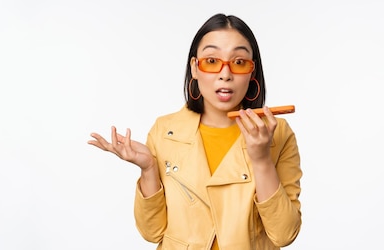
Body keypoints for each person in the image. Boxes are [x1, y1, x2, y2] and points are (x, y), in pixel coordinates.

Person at [88, 13, 302, 249]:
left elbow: (284, 234)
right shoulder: (165, 131)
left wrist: (261, 160)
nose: (225, 74)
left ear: (252, 72)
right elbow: (152, 232)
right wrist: (149, 169)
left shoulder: (277, 133)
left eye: (239, 62)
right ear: (195, 68)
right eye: (211, 61)